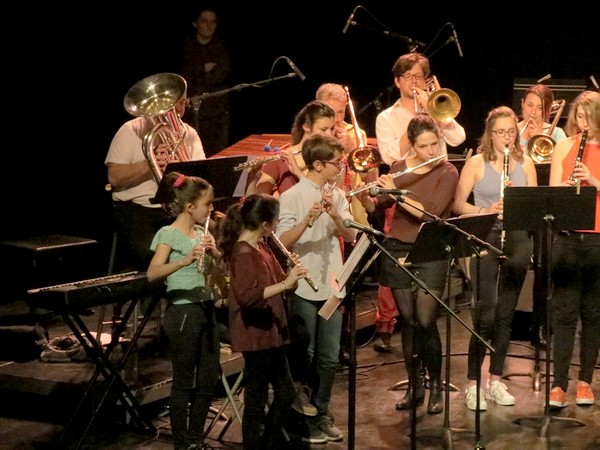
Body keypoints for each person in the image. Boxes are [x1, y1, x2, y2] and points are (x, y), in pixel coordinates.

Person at [358, 113, 459, 415]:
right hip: (398, 248)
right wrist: (368, 190)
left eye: (434, 144)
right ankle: (415, 386)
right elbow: (376, 207)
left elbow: (431, 214)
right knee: (410, 323)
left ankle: (436, 387)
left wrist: (396, 193)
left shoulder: (448, 171)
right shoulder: (400, 168)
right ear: (412, 147)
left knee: (427, 321)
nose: (432, 151)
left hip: (430, 250)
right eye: (425, 146)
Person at [453, 105, 538, 411]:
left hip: (516, 237)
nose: (506, 137)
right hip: (485, 235)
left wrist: (518, 202)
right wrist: (484, 210)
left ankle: (496, 379)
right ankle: (474, 383)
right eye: (500, 132)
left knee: (506, 314)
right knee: (485, 313)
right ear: (490, 133)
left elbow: (535, 208)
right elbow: (458, 204)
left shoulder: (525, 163)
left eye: (510, 131)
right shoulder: (476, 163)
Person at [276, 134, 357, 442]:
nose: (342, 167)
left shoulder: (337, 195)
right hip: (303, 285)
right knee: (304, 353)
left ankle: (321, 412)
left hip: (332, 283)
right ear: (319, 164)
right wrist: (308, 220)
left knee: (329, 356)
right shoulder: (292, 196)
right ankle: (298, 417)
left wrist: (336, 215)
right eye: (338, 162)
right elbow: (282, 241)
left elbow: (350, 237)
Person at [218, 193, 309, 449]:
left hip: (270, 332)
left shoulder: (263, 246)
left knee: (285, 393)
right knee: (257, 399)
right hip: (254, 334)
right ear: (265, 225)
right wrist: (284, 283)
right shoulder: (244, 253)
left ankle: (268, 442)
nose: (278, 226)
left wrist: (292, 277)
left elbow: (280, 284)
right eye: (276, 222)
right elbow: (248, 297)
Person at [146, 172, 221, 450]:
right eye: (208, 204)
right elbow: (153, 273)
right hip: (183, 313)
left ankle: (195, 439)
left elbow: (211, 274)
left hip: (204, 308)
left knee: (207, 380)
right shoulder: (168, 234)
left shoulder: (203, 233)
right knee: (183, 382)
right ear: (191, 207)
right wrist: (185, 260)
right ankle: (182, 443)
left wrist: (214, 257)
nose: (211, 209)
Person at [105, 77, 206, 273]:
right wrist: (151, 163)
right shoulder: (130, 130)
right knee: (161, 254)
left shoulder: (190, 133)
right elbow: (114, 177)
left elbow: (200, 176)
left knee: (208, 246)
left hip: (179, 209)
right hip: (139, 209)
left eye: (182, 102)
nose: (177, 110)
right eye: (174, 103)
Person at [547, 90, 600, 408]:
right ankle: (559, 384)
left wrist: (593, 179)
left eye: (589, 117)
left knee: (593, 315)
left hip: (597, 239)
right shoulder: (564, 146)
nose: (584, 123)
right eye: (579, 117)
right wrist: (564, 191)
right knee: (564, 315)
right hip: (567, 237)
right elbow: (552, 193)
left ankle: (585, 382)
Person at [375, 52, 466, 166]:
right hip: (407, 181)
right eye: (408, 76)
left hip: (439, 177)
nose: (414, 81)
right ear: (397, 82)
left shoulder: (435, 112)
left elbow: (458, 139)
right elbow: (389, 158)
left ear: (425, 80)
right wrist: (415, 126)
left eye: (418, 76)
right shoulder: (386, 118)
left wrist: (434, 113)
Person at [251, 100, 336, 196]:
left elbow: (333, 197)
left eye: (332, 129)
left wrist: (298, 173)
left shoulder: (333, 159)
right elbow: (262, 197)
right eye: (324, 129)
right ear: (306, 126)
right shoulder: (282, 157)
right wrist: (253, 176)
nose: (329, 135)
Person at [181, 5, 231, 157]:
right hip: (190, 115)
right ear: (195, 23)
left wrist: (197, 73)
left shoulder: (221, 47)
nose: (209, 26)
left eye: (213, 22)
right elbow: (183, 76)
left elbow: (220, 75)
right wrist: (203, 68)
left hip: (217, 115)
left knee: (215, 157)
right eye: (204, 21)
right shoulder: (186, 47)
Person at [518, 83, 567, 153]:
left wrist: (541, 140)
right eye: (530, 105)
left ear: (548, 109)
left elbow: (563, 161)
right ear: (522, 103)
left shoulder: (557, 133)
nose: (533, 112)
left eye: (540, 108)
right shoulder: (511, 131)